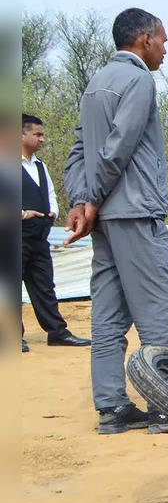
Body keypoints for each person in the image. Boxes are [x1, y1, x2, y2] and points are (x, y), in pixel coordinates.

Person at [63, 8, 168, 435]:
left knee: (109, 315)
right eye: (163, 41)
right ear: (144, 39)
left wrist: (81, 200)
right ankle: (166, 406)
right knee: (160, 311)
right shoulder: (139, 79)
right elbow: (119, 146)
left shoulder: (96, 83)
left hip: (107, 222)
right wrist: (90, 199)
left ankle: (112, 407)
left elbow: (80, 150)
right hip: (135, 212)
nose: (166, 50)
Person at [19, 114, 91, 353]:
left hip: (39, 236)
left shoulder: (40, 165)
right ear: (21, 134)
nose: (42, 139)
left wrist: (52, 212)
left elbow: (49, 193)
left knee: (44, 285)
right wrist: (22, 214)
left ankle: (57, 332)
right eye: (37, 134)